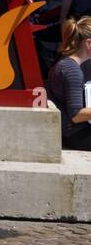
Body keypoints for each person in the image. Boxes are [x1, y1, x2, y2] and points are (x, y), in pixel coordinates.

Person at [46, 17, 91, 150]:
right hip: (77, 135)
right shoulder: (72, 71)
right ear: (88, 43)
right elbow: (76, 115)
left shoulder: (66, 63)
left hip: (75, 132)